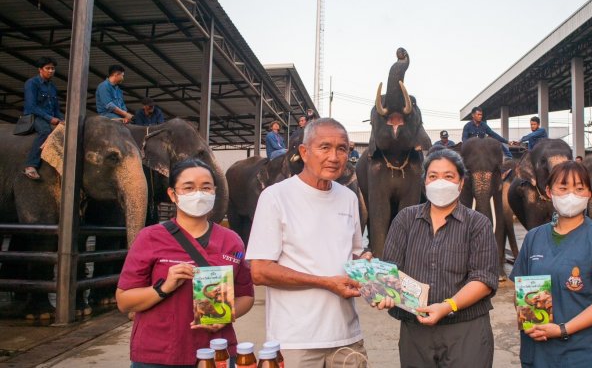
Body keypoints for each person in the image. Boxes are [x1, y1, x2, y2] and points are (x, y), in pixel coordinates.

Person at [247, 118, 370, 367]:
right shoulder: (276, 197)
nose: (334, 157)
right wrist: (325, 283)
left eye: (342, 149)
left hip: (347, 339)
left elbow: (355, 256)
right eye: (324, 147)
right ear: (304, 152)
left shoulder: (348, 197)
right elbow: (259, 271)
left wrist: (374, 276)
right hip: (296, 341)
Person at [117, 158, 255, 367]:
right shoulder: (150, 237)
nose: (198, 194)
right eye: (189, 187)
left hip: (217, 351)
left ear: (214, 192)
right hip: (159, 353)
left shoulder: (231, 241)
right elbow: (124, 301)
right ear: (173, 194)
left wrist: (226, 316)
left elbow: (246, 296)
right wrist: (163, 288)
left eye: (206, 187)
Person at [377, 148, 500, 367]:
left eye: (449, 176)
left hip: (466, 328)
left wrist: (447, 306)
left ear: (461, 183)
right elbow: (390, 270)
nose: (440, 182)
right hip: (415, 328)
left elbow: (483, 278)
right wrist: (384, 291)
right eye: (433, 176)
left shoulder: (478, 223)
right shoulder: (405, 220)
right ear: (424, 182)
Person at [509, 161, 592, 367]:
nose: (571, 195)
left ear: (590, 194)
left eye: (579, 188)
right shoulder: (534, 238)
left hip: (582, 354)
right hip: (538, 352)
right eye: (563, 188)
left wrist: (563, 329)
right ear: (548, 192)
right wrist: (530, 318)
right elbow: (522, 292)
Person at [22, 56, 64, 180]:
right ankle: (30, 165)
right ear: (40, 69)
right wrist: (50, 118)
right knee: (45, 131)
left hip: (49, 116)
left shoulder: (52, 87)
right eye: (48, 68)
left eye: (53, 68)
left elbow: (56, 108)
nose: (51, 71)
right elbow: (31, 105)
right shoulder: (32, 83)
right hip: (35, 116)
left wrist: (62, 119)